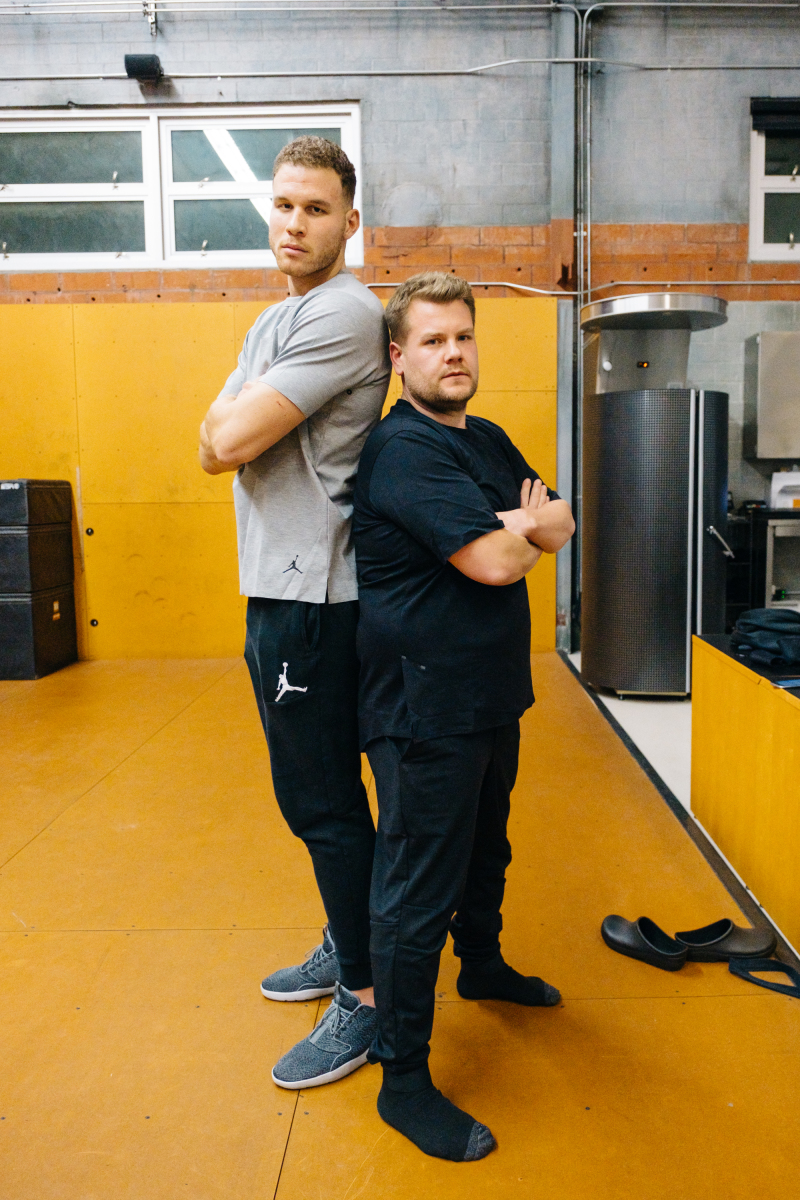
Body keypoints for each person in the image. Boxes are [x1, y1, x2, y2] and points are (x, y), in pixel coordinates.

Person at [352, 272, 575, 1161]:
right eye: (434, 340)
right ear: (399, 357)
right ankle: (402, 1080)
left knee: (490, 847)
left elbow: (558, 517)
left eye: (464, 337)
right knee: (415, 895)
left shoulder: (486, 436)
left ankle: (481, 964)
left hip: (489, 695)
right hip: (420, 708)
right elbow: (495, 560)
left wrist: (522, 526)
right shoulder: (400, 450)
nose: (454, 353)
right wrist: (515, 530)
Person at [199, 136, 390, 1089]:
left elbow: (222, 436)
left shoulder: (348, 313)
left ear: (349, 222)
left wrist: (233, 414)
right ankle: (342, 938)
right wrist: (229, 420)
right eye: (283, 205)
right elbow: (218, 438)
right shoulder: (281, 316)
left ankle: (363, 999)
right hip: (276, 588)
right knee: (315, 799)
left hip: (314, 595)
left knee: (320, 803)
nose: (295, 223)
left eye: (316, 209)